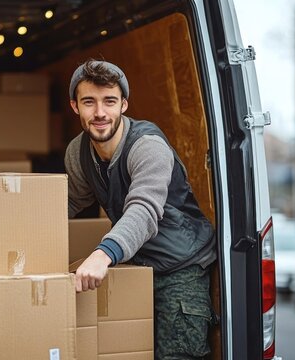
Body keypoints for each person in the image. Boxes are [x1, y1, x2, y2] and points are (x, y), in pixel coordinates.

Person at [65, 59, 217, 359]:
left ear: (123, 104)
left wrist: (102, 254)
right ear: (74, 106)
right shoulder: (78, 152)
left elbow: (144, 210)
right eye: (88, 102)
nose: (99, 113)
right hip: (136, 265)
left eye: (109, 101)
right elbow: (68, 203)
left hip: (180, 268)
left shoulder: (147, 146)